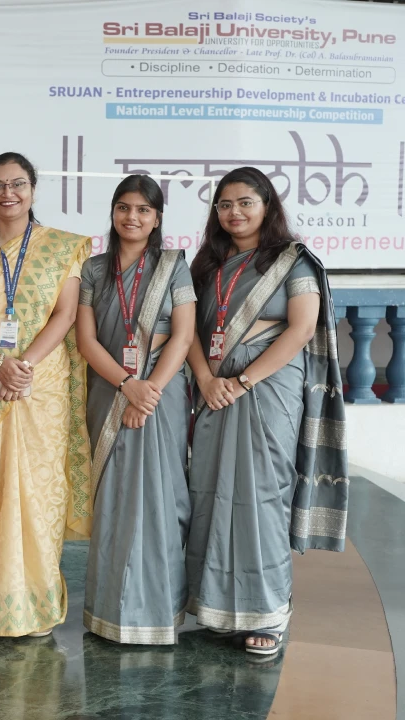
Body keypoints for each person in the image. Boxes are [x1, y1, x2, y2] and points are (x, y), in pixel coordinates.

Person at [186, 166, 349, 658]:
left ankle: (268, 612)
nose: (234, 212)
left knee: (260, 495)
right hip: (214, 391)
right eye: (225, 204)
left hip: (268, 391)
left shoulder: (293, 262)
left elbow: (301, 329)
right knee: (212, 492)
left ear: (267, 207)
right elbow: (188, 331)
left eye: (245, 203)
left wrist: (240, 381)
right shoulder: (207, 266)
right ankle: (218, 606)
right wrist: (208, 380)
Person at [0, 151, 92, 637]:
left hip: (39, 385)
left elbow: (65, 315)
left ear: (32, 188)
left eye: (18, 184)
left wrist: (23, 365)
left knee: (37, 491)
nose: (8, 194)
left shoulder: (64, 247)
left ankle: (33, 602)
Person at [76, 175, 196, 645]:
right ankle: (109, 612)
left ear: (157, 218)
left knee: (160, 499)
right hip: (109, 391)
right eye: (124, 208)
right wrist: (128, 385)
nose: (132, 217)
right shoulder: (92, 270)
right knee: (116, 500)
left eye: (143, 210)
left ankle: (157, 611)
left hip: (161, 399)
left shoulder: (174, 267)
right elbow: (86, 340)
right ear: (112, 212)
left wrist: (148, 393)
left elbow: (183, 336)